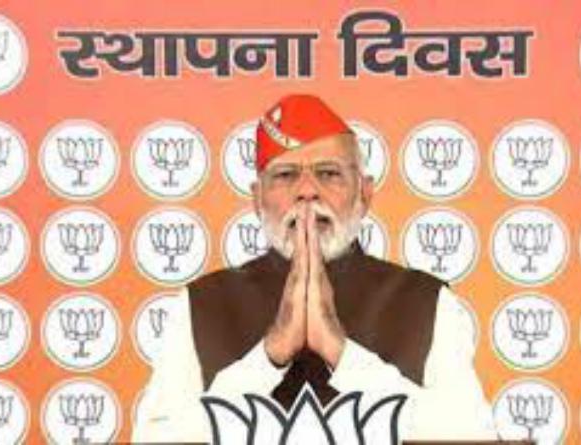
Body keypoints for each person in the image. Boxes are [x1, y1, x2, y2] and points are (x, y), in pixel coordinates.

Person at [131, 94, 499, 443]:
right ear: (257, 199)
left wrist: (341, 352)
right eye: (285, 175)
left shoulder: (427, 301)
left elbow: (469, 437)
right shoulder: (201, 304)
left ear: (364, 193)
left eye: (328, 173)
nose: (307, 191)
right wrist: (268, 355)